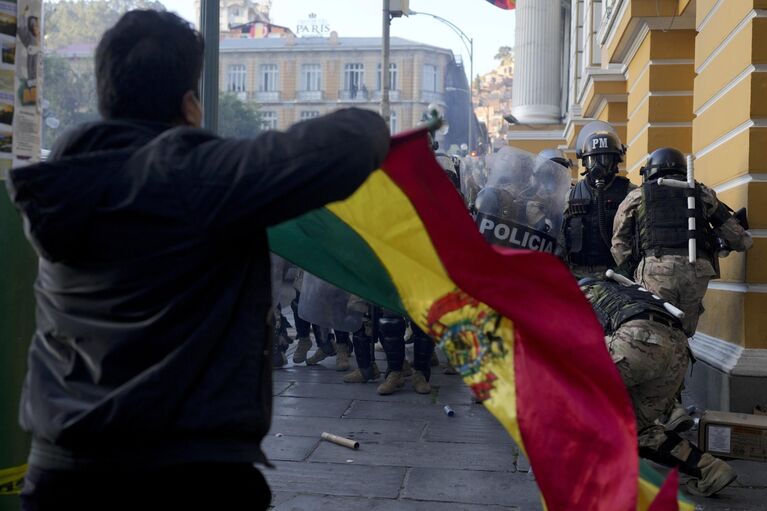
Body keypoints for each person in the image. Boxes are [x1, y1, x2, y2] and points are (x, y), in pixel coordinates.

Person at [6, 10, 390, 511]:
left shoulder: (61, 184)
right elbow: (360, 137)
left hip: (62, 472)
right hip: (185, 477)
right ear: (189, 103)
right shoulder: (199, 178)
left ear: (106, 96)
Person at [580, 278, 737, 497]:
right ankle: (709, 469)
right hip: (679, 351)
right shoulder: (625, 289)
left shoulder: (579, 293)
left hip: (636, 340)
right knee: (637, 427)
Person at [611, 147, 753, 336]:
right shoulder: (701, 192)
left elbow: (619, 241)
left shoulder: (638, 195)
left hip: (656, 269)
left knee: (657, 327)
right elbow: (739, 239)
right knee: (683, 331)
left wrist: (631, 270)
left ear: (651, 171)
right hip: (697, 269)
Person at [561, 127, 635, 279]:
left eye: (604, 159)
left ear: (615, 161)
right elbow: (560, 235)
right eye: (592, 159)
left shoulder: (630, 193)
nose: (597, 165)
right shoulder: (571, 195)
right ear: (584, 162)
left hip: (616, 274)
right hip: (577, 273)